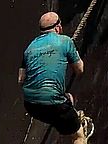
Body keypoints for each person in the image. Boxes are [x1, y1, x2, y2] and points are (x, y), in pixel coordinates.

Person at [19, 12, 92, 144]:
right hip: (54, 104)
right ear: (58, 27)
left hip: (31, 105)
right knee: (78, 135)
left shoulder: (29, 49)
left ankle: (66, 119)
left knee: (66, 100)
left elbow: (21, 79)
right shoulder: (65, 41)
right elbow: (80, 69)